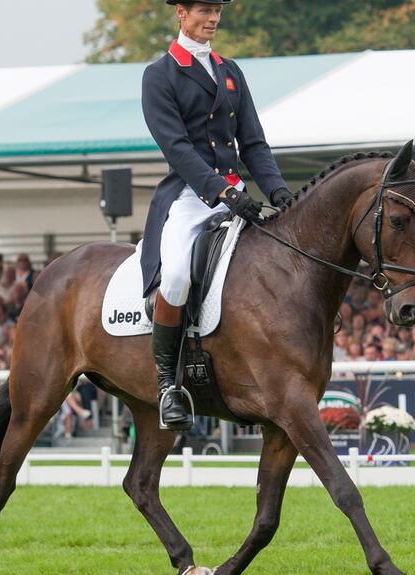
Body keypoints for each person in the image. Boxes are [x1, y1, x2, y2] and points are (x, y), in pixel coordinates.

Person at [140, 0, 294, 430]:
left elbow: (254, 143)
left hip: (238, 193)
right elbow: (178, 150)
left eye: (217, 11)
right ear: (181, 13)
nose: (213, 18)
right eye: (204, 10)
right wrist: (221, 190)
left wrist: (278, 191)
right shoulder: (160, 75)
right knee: (174, 277)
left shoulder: (230, 71)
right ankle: (168, 386)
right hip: (191, 196)